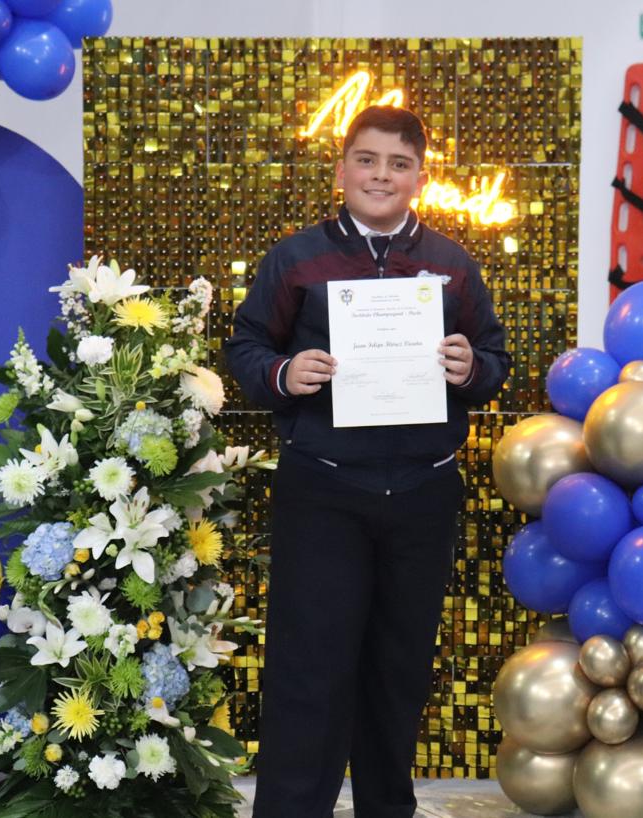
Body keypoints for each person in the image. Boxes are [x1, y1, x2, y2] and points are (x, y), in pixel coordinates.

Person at [225, 105, 510, 818]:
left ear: (421, 178)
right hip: (323, 491)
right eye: (367, 159)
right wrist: (284, 373)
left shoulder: (452, 264)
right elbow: (246, 346)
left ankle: (389, 808)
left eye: (399, 164)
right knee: (309, 670)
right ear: (341, 169)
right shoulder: (296, 258)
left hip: (422, 492)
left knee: (399, 669)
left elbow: (495, 358)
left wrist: (472, 367)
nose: (381, 175)